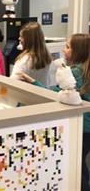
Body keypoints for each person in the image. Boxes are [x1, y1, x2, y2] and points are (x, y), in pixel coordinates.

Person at [20, 33, 90, 191]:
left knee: (75, 166)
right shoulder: (84, 71)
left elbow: (57, 94)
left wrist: (33, 82)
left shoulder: (76, 72)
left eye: (67, 46)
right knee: (80, 163)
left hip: (82, 128)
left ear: (77, 51)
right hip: (87, 129)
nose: (64, 50)